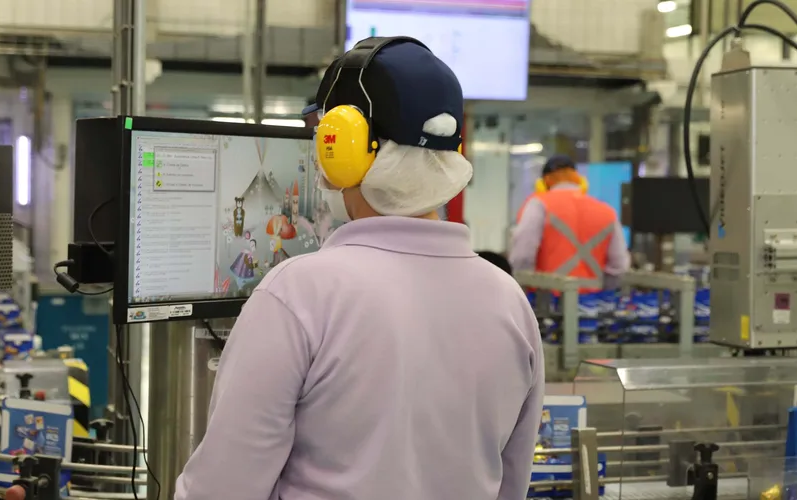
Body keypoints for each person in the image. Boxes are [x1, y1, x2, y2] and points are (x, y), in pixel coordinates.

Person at [174, 36, 544, 500]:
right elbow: (511, 484)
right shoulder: (509, 301)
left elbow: (222, 489)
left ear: (342, 148)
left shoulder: (299, 294)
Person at [509, 155, 630, 290]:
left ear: (545, 182)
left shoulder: (539, 204)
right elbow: (619, 266)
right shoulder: (607, 211)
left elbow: (522, 256)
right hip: (593, 304)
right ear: (579, 180)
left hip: (546, 301)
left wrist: (523, 291)